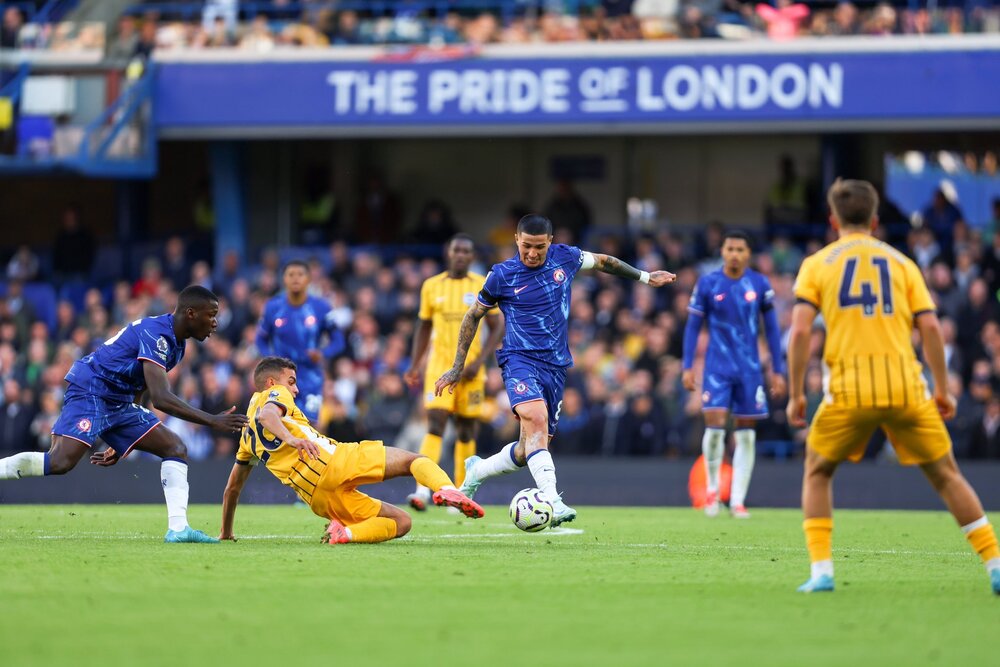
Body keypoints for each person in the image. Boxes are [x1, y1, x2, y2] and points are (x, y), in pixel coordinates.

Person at [787, 179, 1000, 594]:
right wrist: (942, 388)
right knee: (946, 475)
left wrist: (797, 393)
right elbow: (932, 326)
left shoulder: (817, 263)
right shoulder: (902, 263)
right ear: (876, 220)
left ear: (832, 220)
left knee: (817, 470)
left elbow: (798, 333)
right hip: (905, 387)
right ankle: (994, 563)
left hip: (849, 391)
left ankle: (822, 571)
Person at [435, 214, 676, 526]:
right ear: (516, 242)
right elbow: (472, 316)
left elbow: (604, 262)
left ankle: (478, 470)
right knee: (536, 419)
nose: (532, 253)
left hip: (556, 366)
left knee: (528, 449)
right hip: (518, 360)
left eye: (539, 247)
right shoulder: (501, 275)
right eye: (526, 247)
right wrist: (457, 366)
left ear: (550, 242)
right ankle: (552, 500)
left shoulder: (567, 257)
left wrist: (644, 277)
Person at [0, 286, 248, 543]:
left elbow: (140, 386)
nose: (216, 323)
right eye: (212, 315)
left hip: (118, 400)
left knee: (175, 447)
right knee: (60, 461)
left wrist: (122, 442)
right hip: (92, 389)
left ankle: (178, 529)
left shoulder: (177, 345)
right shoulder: (157, 335)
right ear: (191, 313)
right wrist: (212, 420)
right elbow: (161, 399)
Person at [219, 357, 484, 544]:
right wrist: (292, 439)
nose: (295, 388)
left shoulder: (246, 438)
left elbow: (232, 489)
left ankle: (346, 534)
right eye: (291, 381)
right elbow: (267, 416)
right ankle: (447, 488)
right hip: (333, 460)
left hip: (317, 498)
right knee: (413, 460)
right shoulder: (274, 394)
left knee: (402, 522)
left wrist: (225, 532)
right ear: (270, 382)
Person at [682, 230, 786, 519]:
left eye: (740, 249)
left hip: (750, 369)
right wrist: (688, 366)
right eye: (730, 248)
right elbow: (693, 326)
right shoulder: (709, 283)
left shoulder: (759, 283)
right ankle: (713, 493)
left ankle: (738, 500)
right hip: (717, 368)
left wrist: (777, 369)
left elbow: (773, 330)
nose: (735, 254)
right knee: (714, 429)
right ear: (723, 251)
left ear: (748, 253)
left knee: (747, 436)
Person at [403, 234, 504, 511]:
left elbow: (497, 325)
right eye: (456, 250)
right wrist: (414, 364)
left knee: (465, 430)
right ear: (448, 253)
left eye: (466, 251)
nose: (460, 255)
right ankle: (423, 489)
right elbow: (423, 327)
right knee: (435, 423)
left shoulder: (481, 284)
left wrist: (481, 361)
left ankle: (461, 492)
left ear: (472, 256)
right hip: (438, 367)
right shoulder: (431, 286)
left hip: (471, 371)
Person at [256, 260, 344, 424]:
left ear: (309, 279)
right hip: (280, 377)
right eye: (291, 274)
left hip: (311, 376)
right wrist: (270, 360)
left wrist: (322, 354)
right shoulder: (272, 307)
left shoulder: (322, 307)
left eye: (300, 274)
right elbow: (260, 339)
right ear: (284, 279)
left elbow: (338, 340)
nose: (295, 278)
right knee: (281, 422)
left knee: (311, 424)